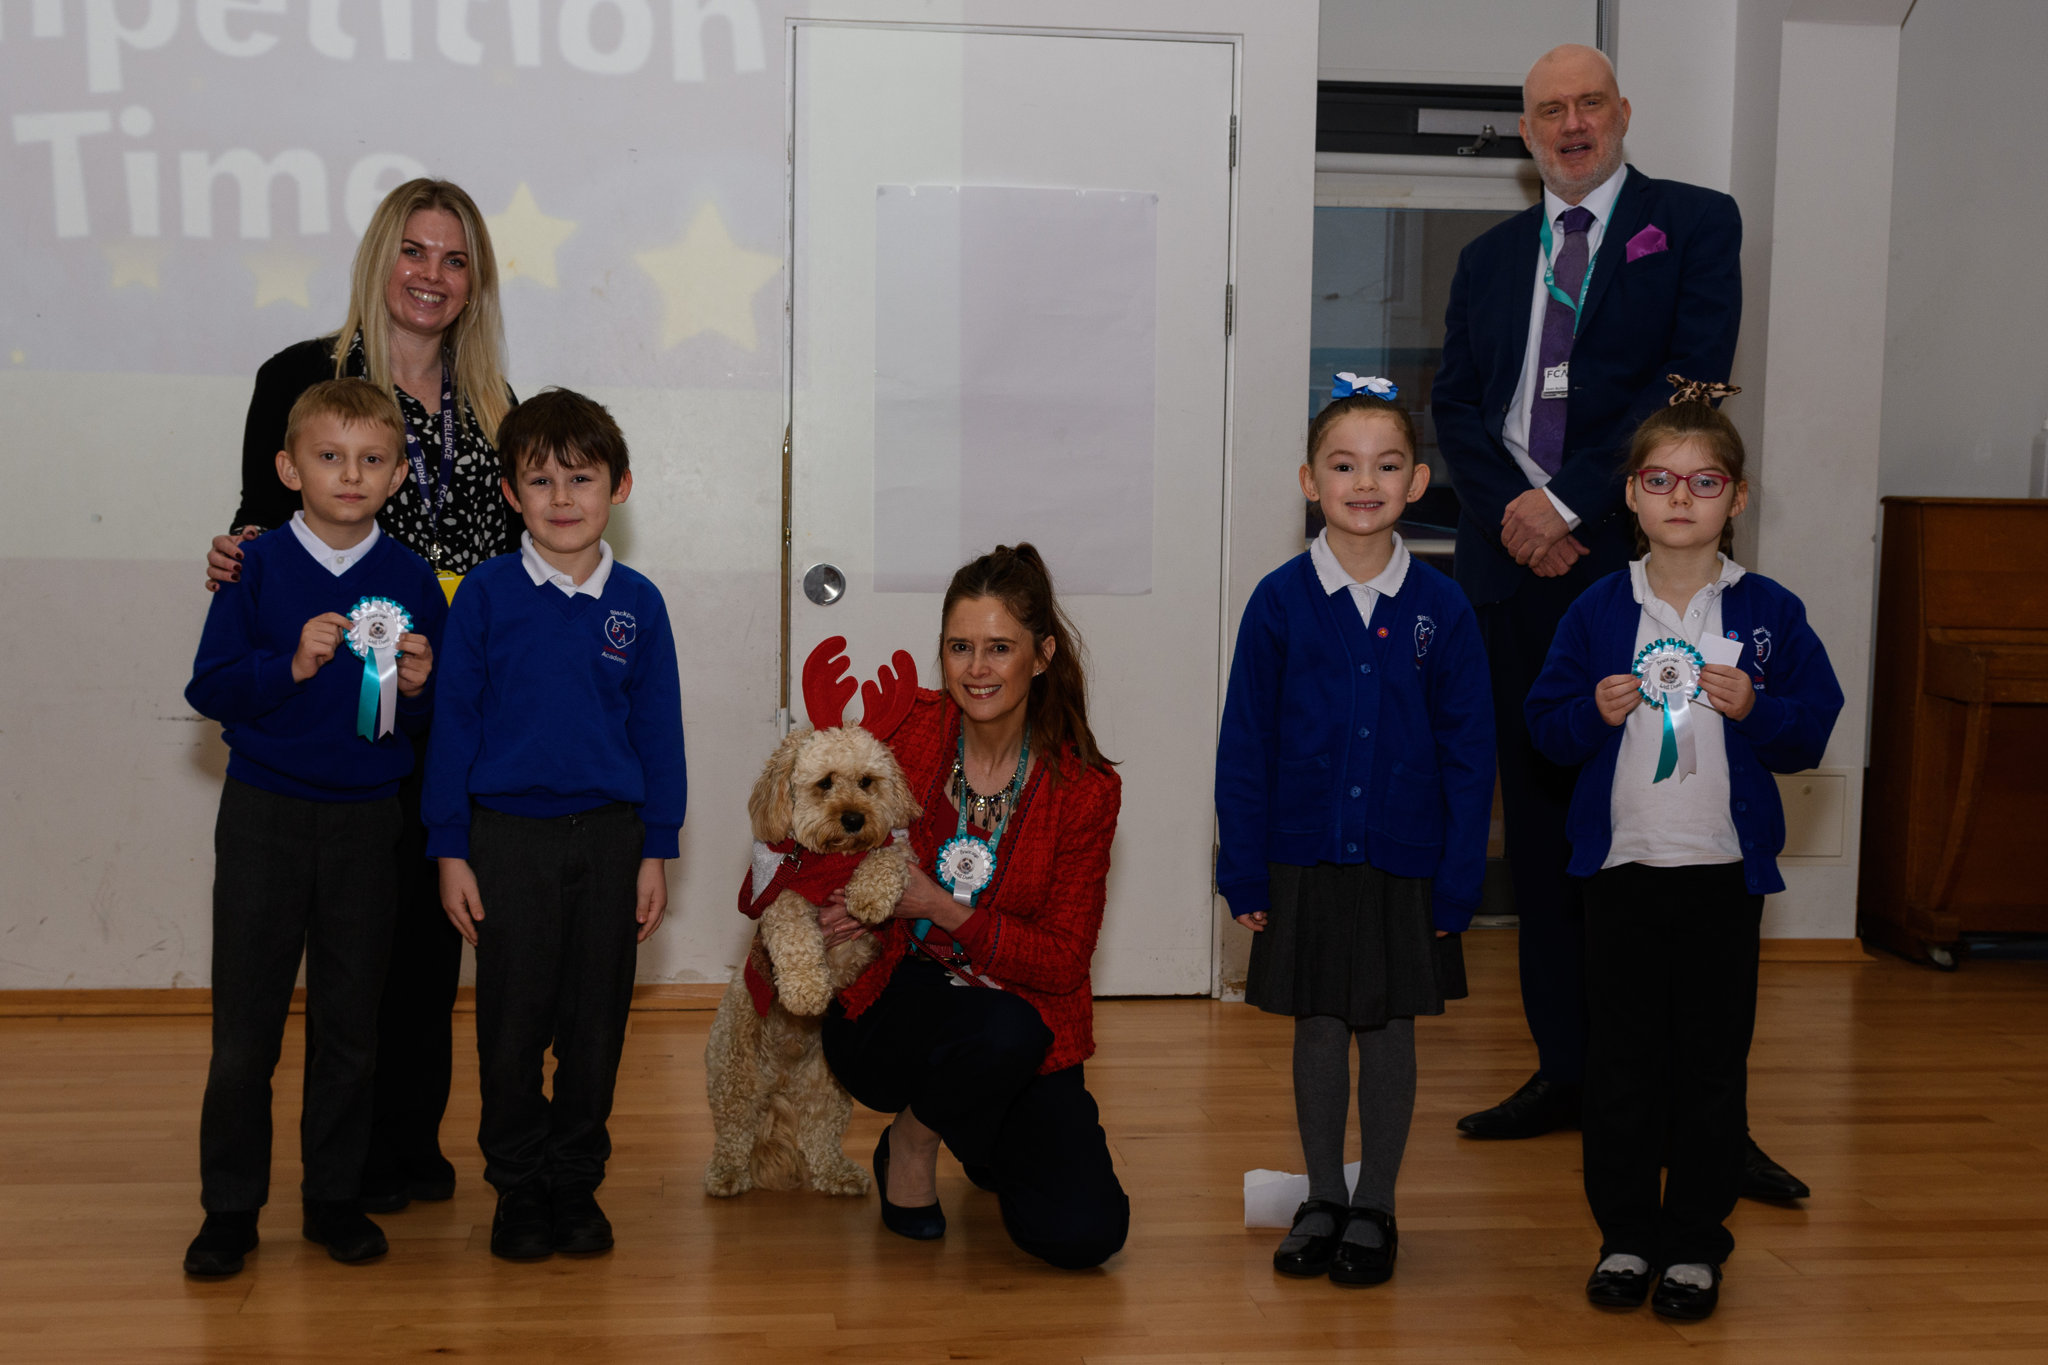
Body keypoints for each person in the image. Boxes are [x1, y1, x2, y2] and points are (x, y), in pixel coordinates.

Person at [1431, 44, 1803, 1198]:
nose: (1571, 123)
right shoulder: (1490, 256)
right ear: (1527, 133)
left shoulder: (1692, 223)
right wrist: (1512, 518)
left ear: (1622, 112)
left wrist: (1569, 501)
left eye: (1588, 103)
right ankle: (1572, 1077)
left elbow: (1688, 388)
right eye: (1548, 110)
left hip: (1652, 562)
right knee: (1547, 845)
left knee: (1686, 848)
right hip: (1513, 580)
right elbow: (1453, 401)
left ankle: (1708, 1125)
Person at [204, 178, 518, 1212]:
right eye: (415, 251)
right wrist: (231, 554)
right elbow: (260, 524)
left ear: (476, 282)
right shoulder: (303, 376)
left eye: (456, 258)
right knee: (338, 957)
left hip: (450, 698)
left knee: (427, 941)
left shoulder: (498, 407)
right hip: (324, 712)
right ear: (380, 259)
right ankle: (303, 1176)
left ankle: (399, 1152)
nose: (433, 275)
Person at [1525, 389, 1842, 1320]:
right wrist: (1595, 711)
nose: (1680, 499)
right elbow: (1546, 728)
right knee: (1620, 1062)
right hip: (1621, 874)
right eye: (1660, 481)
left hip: (1720, 876)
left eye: (1703, 482)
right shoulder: (1592, 611)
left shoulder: (1772, 610)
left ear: (1735, 500)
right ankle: (1625, 1236)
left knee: (1709, 1063)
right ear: (1631, 494)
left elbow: (1811, 729)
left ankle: (1697, 1242)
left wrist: (1759, 707)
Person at [1214, 379, 1495, 1286]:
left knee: (1390, 1027)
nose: (1364, 481)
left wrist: (1459, 882)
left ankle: (1377, 1201)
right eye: (1343, 464)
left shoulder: (1443, 610)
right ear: (1309, 479)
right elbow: (1244, 742)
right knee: (1319, 1023)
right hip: (1302, 857)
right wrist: (1244, 870)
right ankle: (1323, 1196)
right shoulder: (1279, 601)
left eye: (1386, 464)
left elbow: (1470, 756)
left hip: (1406, 862)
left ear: (1417, 483)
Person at [182, 379, 447, 1276]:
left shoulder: (411, 579)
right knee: (245, 1027)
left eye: (373, 459)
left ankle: (332, 1196)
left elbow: (430, 725)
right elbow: (210, 687)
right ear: (289, 467)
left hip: (368, 826)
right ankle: (229, 1206)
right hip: (263, 816)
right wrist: (286, 665)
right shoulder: (254, 565)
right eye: (330, 457)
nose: (351, 474)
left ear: (400, 474)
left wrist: (416, 693)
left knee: (350, 1026)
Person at [423, 389, 686, 1261]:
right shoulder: (488, 596)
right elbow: (454, 722)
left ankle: (575, 1181)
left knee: (594, 1025)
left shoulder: (639, 605)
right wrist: (450, 845)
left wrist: (657, 847)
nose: (563, 496)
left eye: (582, 476)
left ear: (620, 486)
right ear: (510, 493)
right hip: (506, 840)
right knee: (510, 1023)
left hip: (611, 839)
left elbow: (658, 732)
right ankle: (517, 1186)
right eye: (541, 479)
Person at [817, 544, 1130, 1271]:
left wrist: (937, 904)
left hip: (1020, 1024)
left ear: (1042, 654)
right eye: (960, 647)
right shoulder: (906, 729)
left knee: (1085, 1234)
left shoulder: (1086, 787)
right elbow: (820, 824)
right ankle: (915, 1140)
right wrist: (840, 900)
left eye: (1000, 647)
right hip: (895, 1003)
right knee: (1000, 1032)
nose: (977, 668)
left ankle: (965, 1122)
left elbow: (1062, 960)